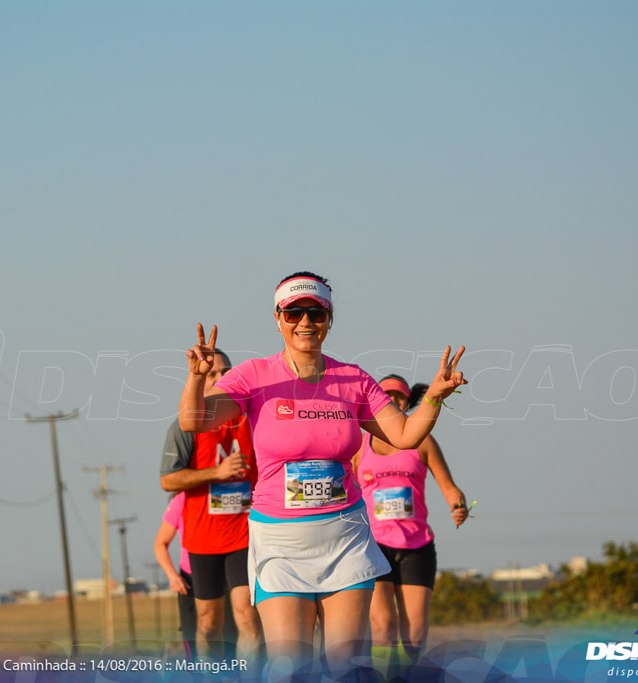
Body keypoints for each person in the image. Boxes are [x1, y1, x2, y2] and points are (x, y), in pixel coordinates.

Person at [178, 271, 467, 677]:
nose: (305, 323)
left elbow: (405, 434)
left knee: (344, 668)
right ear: (277, 318)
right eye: (293, 312)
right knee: (289, 667)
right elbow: (196, 420)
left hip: (344, 538)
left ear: (329, 320)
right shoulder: (254, 375)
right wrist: (195, 377)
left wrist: (434, 396)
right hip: (281, 544)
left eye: (316, 313)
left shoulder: (355, 380)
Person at [354, 374, 470, 673]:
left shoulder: (423, 442)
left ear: (408, 402)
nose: (393, 400)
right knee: (383, 627)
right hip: (372, 546)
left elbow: (450, 488)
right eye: (386, 394)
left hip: (416, 546)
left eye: (400, 397)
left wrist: (458, 506)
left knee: (414, 637)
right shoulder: (359, 444)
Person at [160, 350, 262, 661]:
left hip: (244, 537)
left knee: (248, 619)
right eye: (213, 374)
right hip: (203, 541)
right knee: (208, 624)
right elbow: (168, 480)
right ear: (202, 382)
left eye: (226, 372)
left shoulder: (251, 419)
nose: (221, 378)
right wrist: (216, 473)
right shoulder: (184, 426)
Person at [152, 492, 197, 658]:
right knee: (193, 638)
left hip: (228, 575)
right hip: (190, 581)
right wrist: (173, 576)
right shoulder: (181, 500)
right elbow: (159, 544)